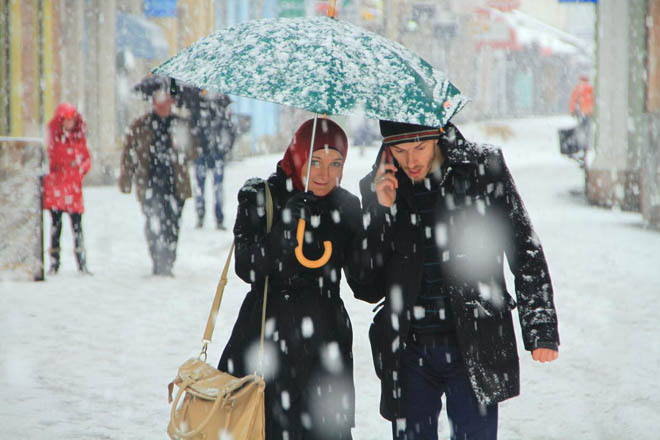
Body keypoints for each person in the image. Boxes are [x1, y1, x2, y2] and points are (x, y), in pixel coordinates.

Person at [358, 120, 560, 440]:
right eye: (399, 150)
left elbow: (524, 247)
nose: (410, 161)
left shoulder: (482, 167)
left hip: (475, 340)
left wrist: (540, 327)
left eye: (419, 148)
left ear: (438, 136)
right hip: (409, 352)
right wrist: (381, 213)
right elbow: (366, 286)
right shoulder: (378, 184)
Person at [218, 118, 366, 440]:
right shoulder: (262, 196)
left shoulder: (346, 206)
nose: (325, 173)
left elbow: (367, 286)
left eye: (335, 163)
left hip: (326, 349)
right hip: (266, 343)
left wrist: (374, 219)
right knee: (263, 428)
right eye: (314, 161)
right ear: (297, 156)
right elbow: (247, 268)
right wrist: (283, 229)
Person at [119, 89, 198, 276]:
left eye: (167, 101)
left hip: (175, 184)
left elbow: (193, 153)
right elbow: (129, 153)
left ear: (171, 102)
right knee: (153, 223)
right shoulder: (141, 125)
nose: (163, 105)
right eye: (159, 101)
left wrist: (183, 145)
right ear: (153, 102)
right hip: (150, 183)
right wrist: (126, 180)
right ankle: (157, 259)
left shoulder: (180, 124)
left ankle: (168, 260)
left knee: (172, 223)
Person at [42, 102, 91, 274]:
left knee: (77, 227)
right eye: (66, 120)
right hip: (57, 189)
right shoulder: (55, 140)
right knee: (56, 226)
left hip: (72, 189)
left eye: (71, 120)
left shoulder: (78, 138)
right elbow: (50, 160)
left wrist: (80, 171)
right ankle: (54, 263)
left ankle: (81, 262)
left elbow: (86, 158)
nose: (69, 123)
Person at [189, 93, 236, 230]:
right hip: (204, 154)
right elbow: (192, 130)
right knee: (203, 188)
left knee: (214, 188)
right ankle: (203, 216)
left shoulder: (220, 108)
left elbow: (230, 132)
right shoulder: (198, 106)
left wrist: (223, 150)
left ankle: (215, 217)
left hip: (214, 154)